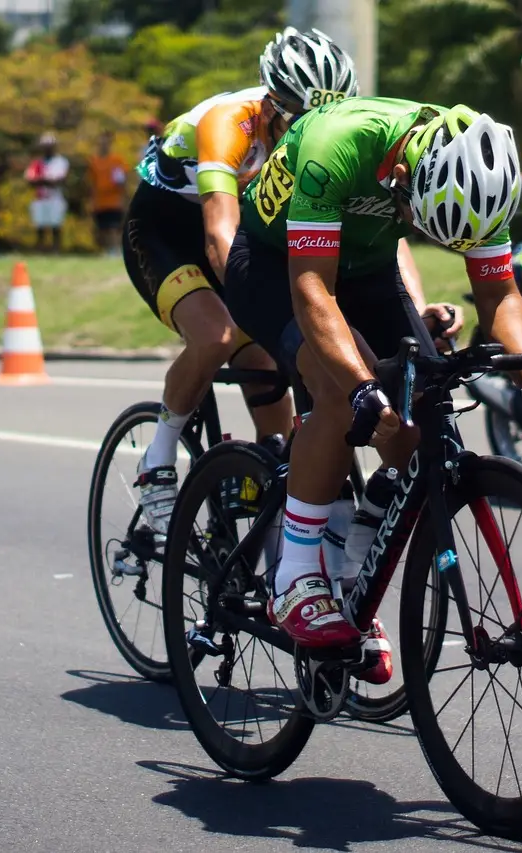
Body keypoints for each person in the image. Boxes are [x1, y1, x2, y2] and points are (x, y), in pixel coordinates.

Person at [223, 97, 522, 683]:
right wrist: (362, 389)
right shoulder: (336, 144)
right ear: (403, 177)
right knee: (338, 388)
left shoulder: (482, 175)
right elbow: (313, 293)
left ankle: (354, 558)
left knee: (418, 421)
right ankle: (295, 574)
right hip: (275, 263)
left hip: (368, 268)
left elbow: (499, 296)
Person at [121, 27, 365, 535]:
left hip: (243, 222)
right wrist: (269, 306)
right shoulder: (228, 122)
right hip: (170, 227)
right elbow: (219, 235)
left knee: (270, 372)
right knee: (219, 334)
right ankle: (159, 456)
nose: (313, 134)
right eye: (300, 121)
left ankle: (268, 496)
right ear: (271, 105)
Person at [25, 132, 70, 253]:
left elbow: (59, 180)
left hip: (55, 198)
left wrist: (41, 180)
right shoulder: (37, 163)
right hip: (40, 198)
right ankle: (40, 251)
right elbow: (30, 180)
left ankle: (56, 251)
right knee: (40, 227)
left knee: (56, 226)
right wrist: (46, 180)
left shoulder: (60, 162)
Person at [87, 131, 128, 254]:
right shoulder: (94, 161)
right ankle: (106, 250)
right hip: (99, 200)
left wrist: (123, 197)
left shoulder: (116, 160)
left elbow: (121, 180)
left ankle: (115, 250)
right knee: (102, 228)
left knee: (113, 227)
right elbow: (91, 182)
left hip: (114, 199)